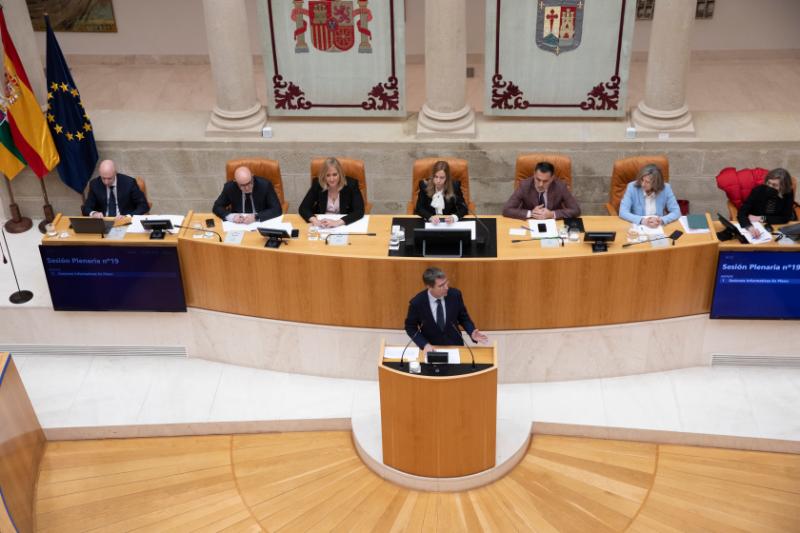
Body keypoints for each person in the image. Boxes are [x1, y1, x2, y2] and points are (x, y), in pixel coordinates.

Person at [404, 267, 488, 357]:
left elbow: (463, 318)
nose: (446, 287)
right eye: (441, 286)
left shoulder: (455, 295)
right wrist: (424, 344)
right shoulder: (417, 303)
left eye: (446, 283)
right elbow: (410, 327)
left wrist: (471, 331)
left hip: (455, 346)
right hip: (431, 348)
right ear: (429, 287)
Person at [299, 157, 365, 228]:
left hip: (343, 224)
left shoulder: (351, 185)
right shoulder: (318, 184)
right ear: (324, 176)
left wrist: (337, 223)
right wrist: (315, 221)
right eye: (328, 175)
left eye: (334, 174)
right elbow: (303, 208)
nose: (331, 179)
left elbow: (359, 211)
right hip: (322, 224)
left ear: (340, 174)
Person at [502, 161, 580, 220]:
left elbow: (576, 210)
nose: (540, 184)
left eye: (545, 181)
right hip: (530, 223)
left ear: (552, 178)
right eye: (538, 179)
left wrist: (552, 214)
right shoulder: (524, 185)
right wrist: (531, 213)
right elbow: (506, 210)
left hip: (553, 224)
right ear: (534, 175)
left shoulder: (560, 186)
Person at [737, 168, 797, 238]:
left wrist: (761, 218)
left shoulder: (788, 193)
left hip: (777, 228)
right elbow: (742, 212)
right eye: (769, 183)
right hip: (757, 226)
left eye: (774, 185)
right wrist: (750, 227)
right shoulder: (758, 190)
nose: (770, 187)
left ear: (783, 187)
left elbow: (785, 218)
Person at [212, 166, 282, 223]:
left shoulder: (265, 185)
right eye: (242, 185)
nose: (247, 188)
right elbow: (217, 207)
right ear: (236, 182)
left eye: (249, 183)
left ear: (252, 176)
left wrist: (256, 217)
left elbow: (277, 209)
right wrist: (231, 217)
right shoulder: (230, 187)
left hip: (260, 223)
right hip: (238, 225)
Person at [82, 159, 149, 219]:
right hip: (103, 222)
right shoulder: (95, 184)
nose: (106, 182)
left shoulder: (129, 183)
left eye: (109, 178)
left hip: (125, 222)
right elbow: (86, 208)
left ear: (115, 173)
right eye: (103, 178)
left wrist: (128, 216)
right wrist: (94, 213)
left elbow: (143, 205)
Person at [618, 164, 680, 228]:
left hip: (658, 226)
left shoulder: (666, 188)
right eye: (642, 180)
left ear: (656, 183)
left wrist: (661, 220)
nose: (642, 184)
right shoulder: (632, 187)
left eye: (647, 182)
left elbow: (676, 212)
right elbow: (622, 212)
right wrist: (643, 221)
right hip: (639, 226)